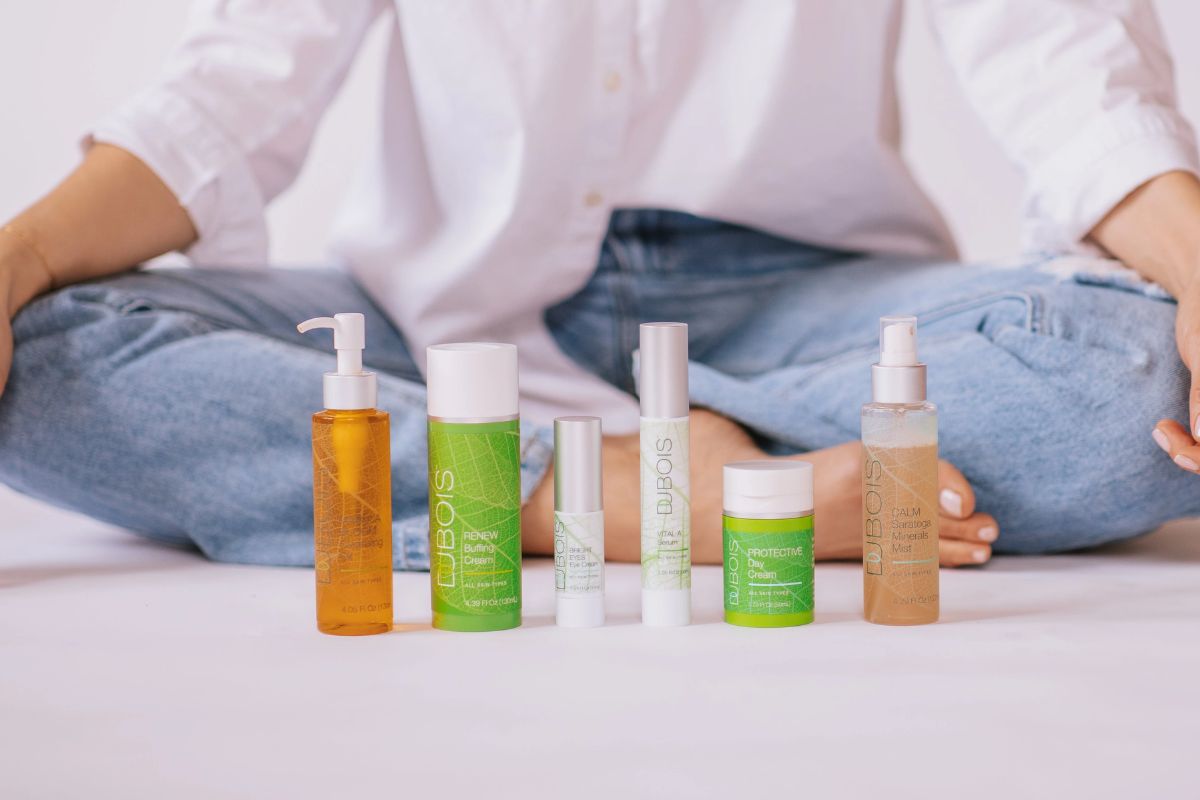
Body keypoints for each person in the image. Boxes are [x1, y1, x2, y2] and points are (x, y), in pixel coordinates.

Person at [1, 1, 1198, 571]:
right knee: (43, 356)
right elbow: (227, 95)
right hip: (449, 313)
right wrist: (17, 259)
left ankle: (568, 472)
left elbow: (1068, 69)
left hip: (795, 305)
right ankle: (635, 495)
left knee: (1136, 382)